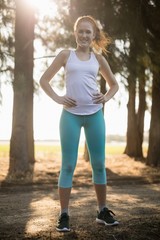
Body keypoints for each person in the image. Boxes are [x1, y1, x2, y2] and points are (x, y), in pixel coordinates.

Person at [40, 15, 119, 232]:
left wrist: (106, 97)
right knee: (67, 165)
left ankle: (102, 211)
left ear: (94, 36)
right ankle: (63, 214)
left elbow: (114, 85)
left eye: (88, 32)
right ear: (75, 33)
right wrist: (58, 98)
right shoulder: (66, 55)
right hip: (70, 117)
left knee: (99, 164)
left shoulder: (99, 59)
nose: (84, 35)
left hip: (95, 116)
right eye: (81, 31)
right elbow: (44, 80)